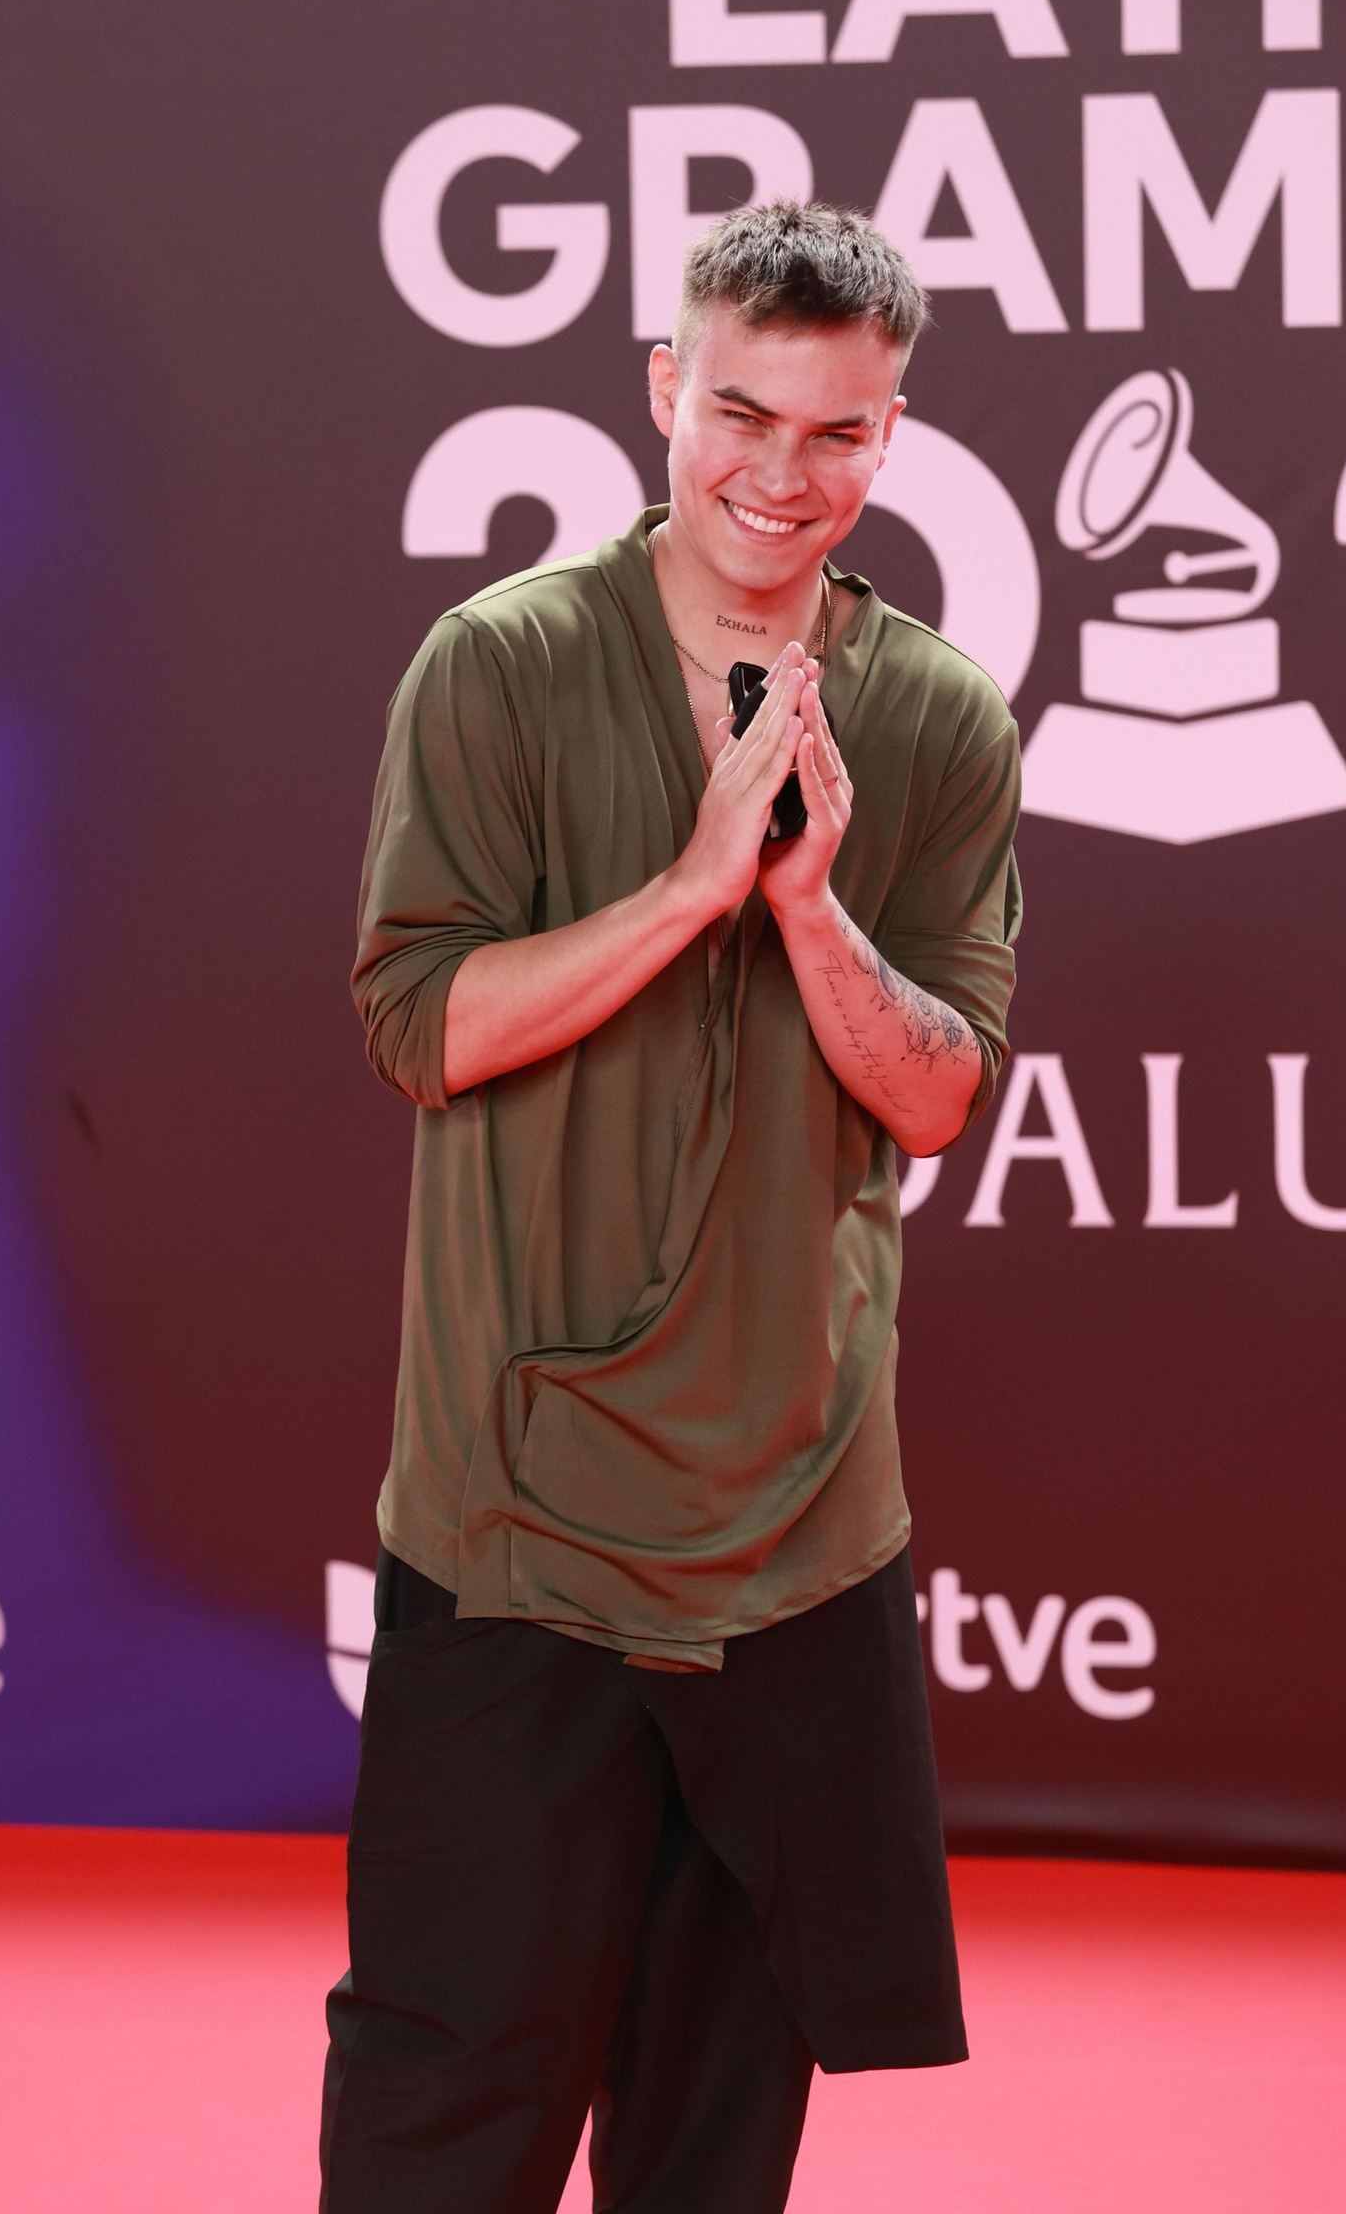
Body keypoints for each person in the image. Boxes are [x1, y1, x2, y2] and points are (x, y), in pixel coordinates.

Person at [324, 200, 1022, 2214]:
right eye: (740, 414)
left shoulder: (933, 716)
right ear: (660, 389)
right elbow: (414, 1025)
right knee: (445, 2107)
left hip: (803, 1536)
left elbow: (940, 1091)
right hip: (513, 1530)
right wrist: (688, 885)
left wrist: (803, 904)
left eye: (836, 433)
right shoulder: (501, 668)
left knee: (721, 2131)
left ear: (890, 436)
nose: (776, 476)